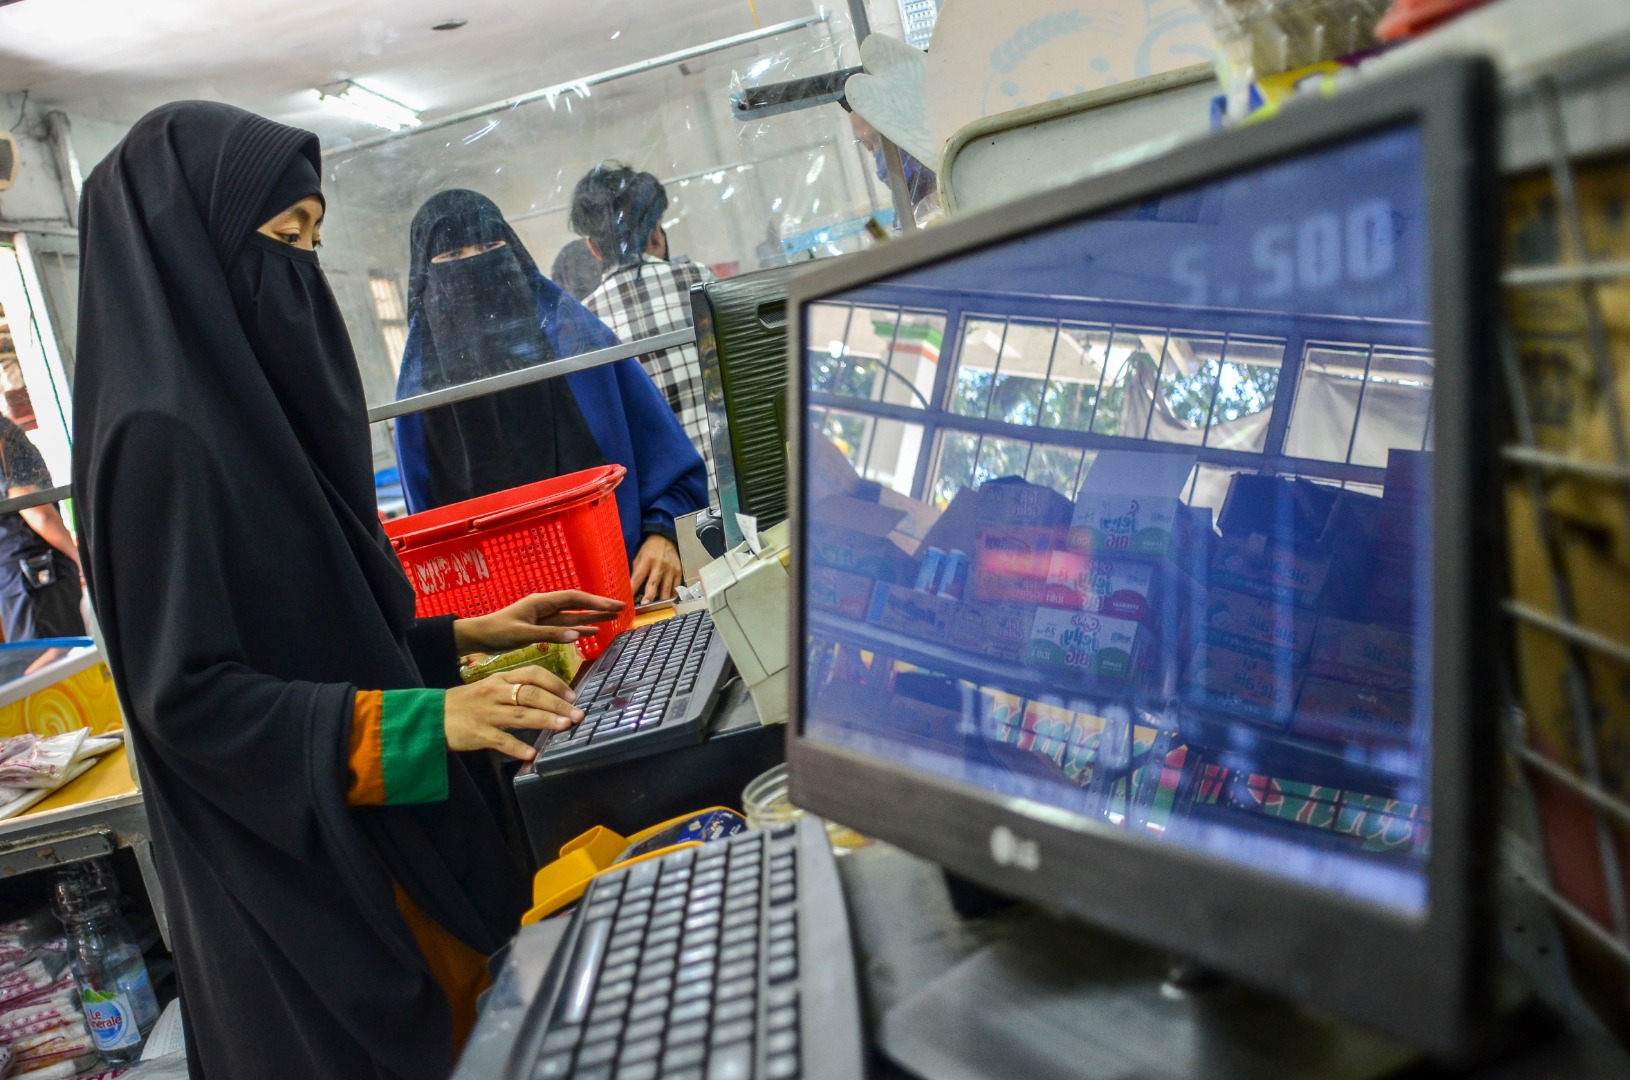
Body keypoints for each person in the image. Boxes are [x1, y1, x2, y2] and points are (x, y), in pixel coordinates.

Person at [73, 101, 627, 1080]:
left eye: (314, 239)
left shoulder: (232, 419)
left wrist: (457, 640)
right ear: (189, 250)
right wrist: (429, 724)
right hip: (315, 913)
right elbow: (191, 705)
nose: (304, 272)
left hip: (372, 855)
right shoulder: (160, 439)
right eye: (283, 240)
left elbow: (297, 634)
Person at [394, 189, 703, 603]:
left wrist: (663, 533)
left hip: (627, 594)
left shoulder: (577, 343)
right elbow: (431, 545)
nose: (473, 264)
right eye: (451, 257)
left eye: (489, 247)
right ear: (426, 276)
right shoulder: (420, 394)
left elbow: (671, 465)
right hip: (498, 636)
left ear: (513, 251)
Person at [570, 163, 719, 505]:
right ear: (656, 230)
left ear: (593, 247)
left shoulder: (584, 322)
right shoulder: (699, 281)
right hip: (739, 488)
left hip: (666, 516)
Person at [0, 415, 84, 642]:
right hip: (39, 574)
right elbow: (36, 511)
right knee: (61, 662)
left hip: (13, 579)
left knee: (40, 665)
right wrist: (80, 558)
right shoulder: (6, 436)